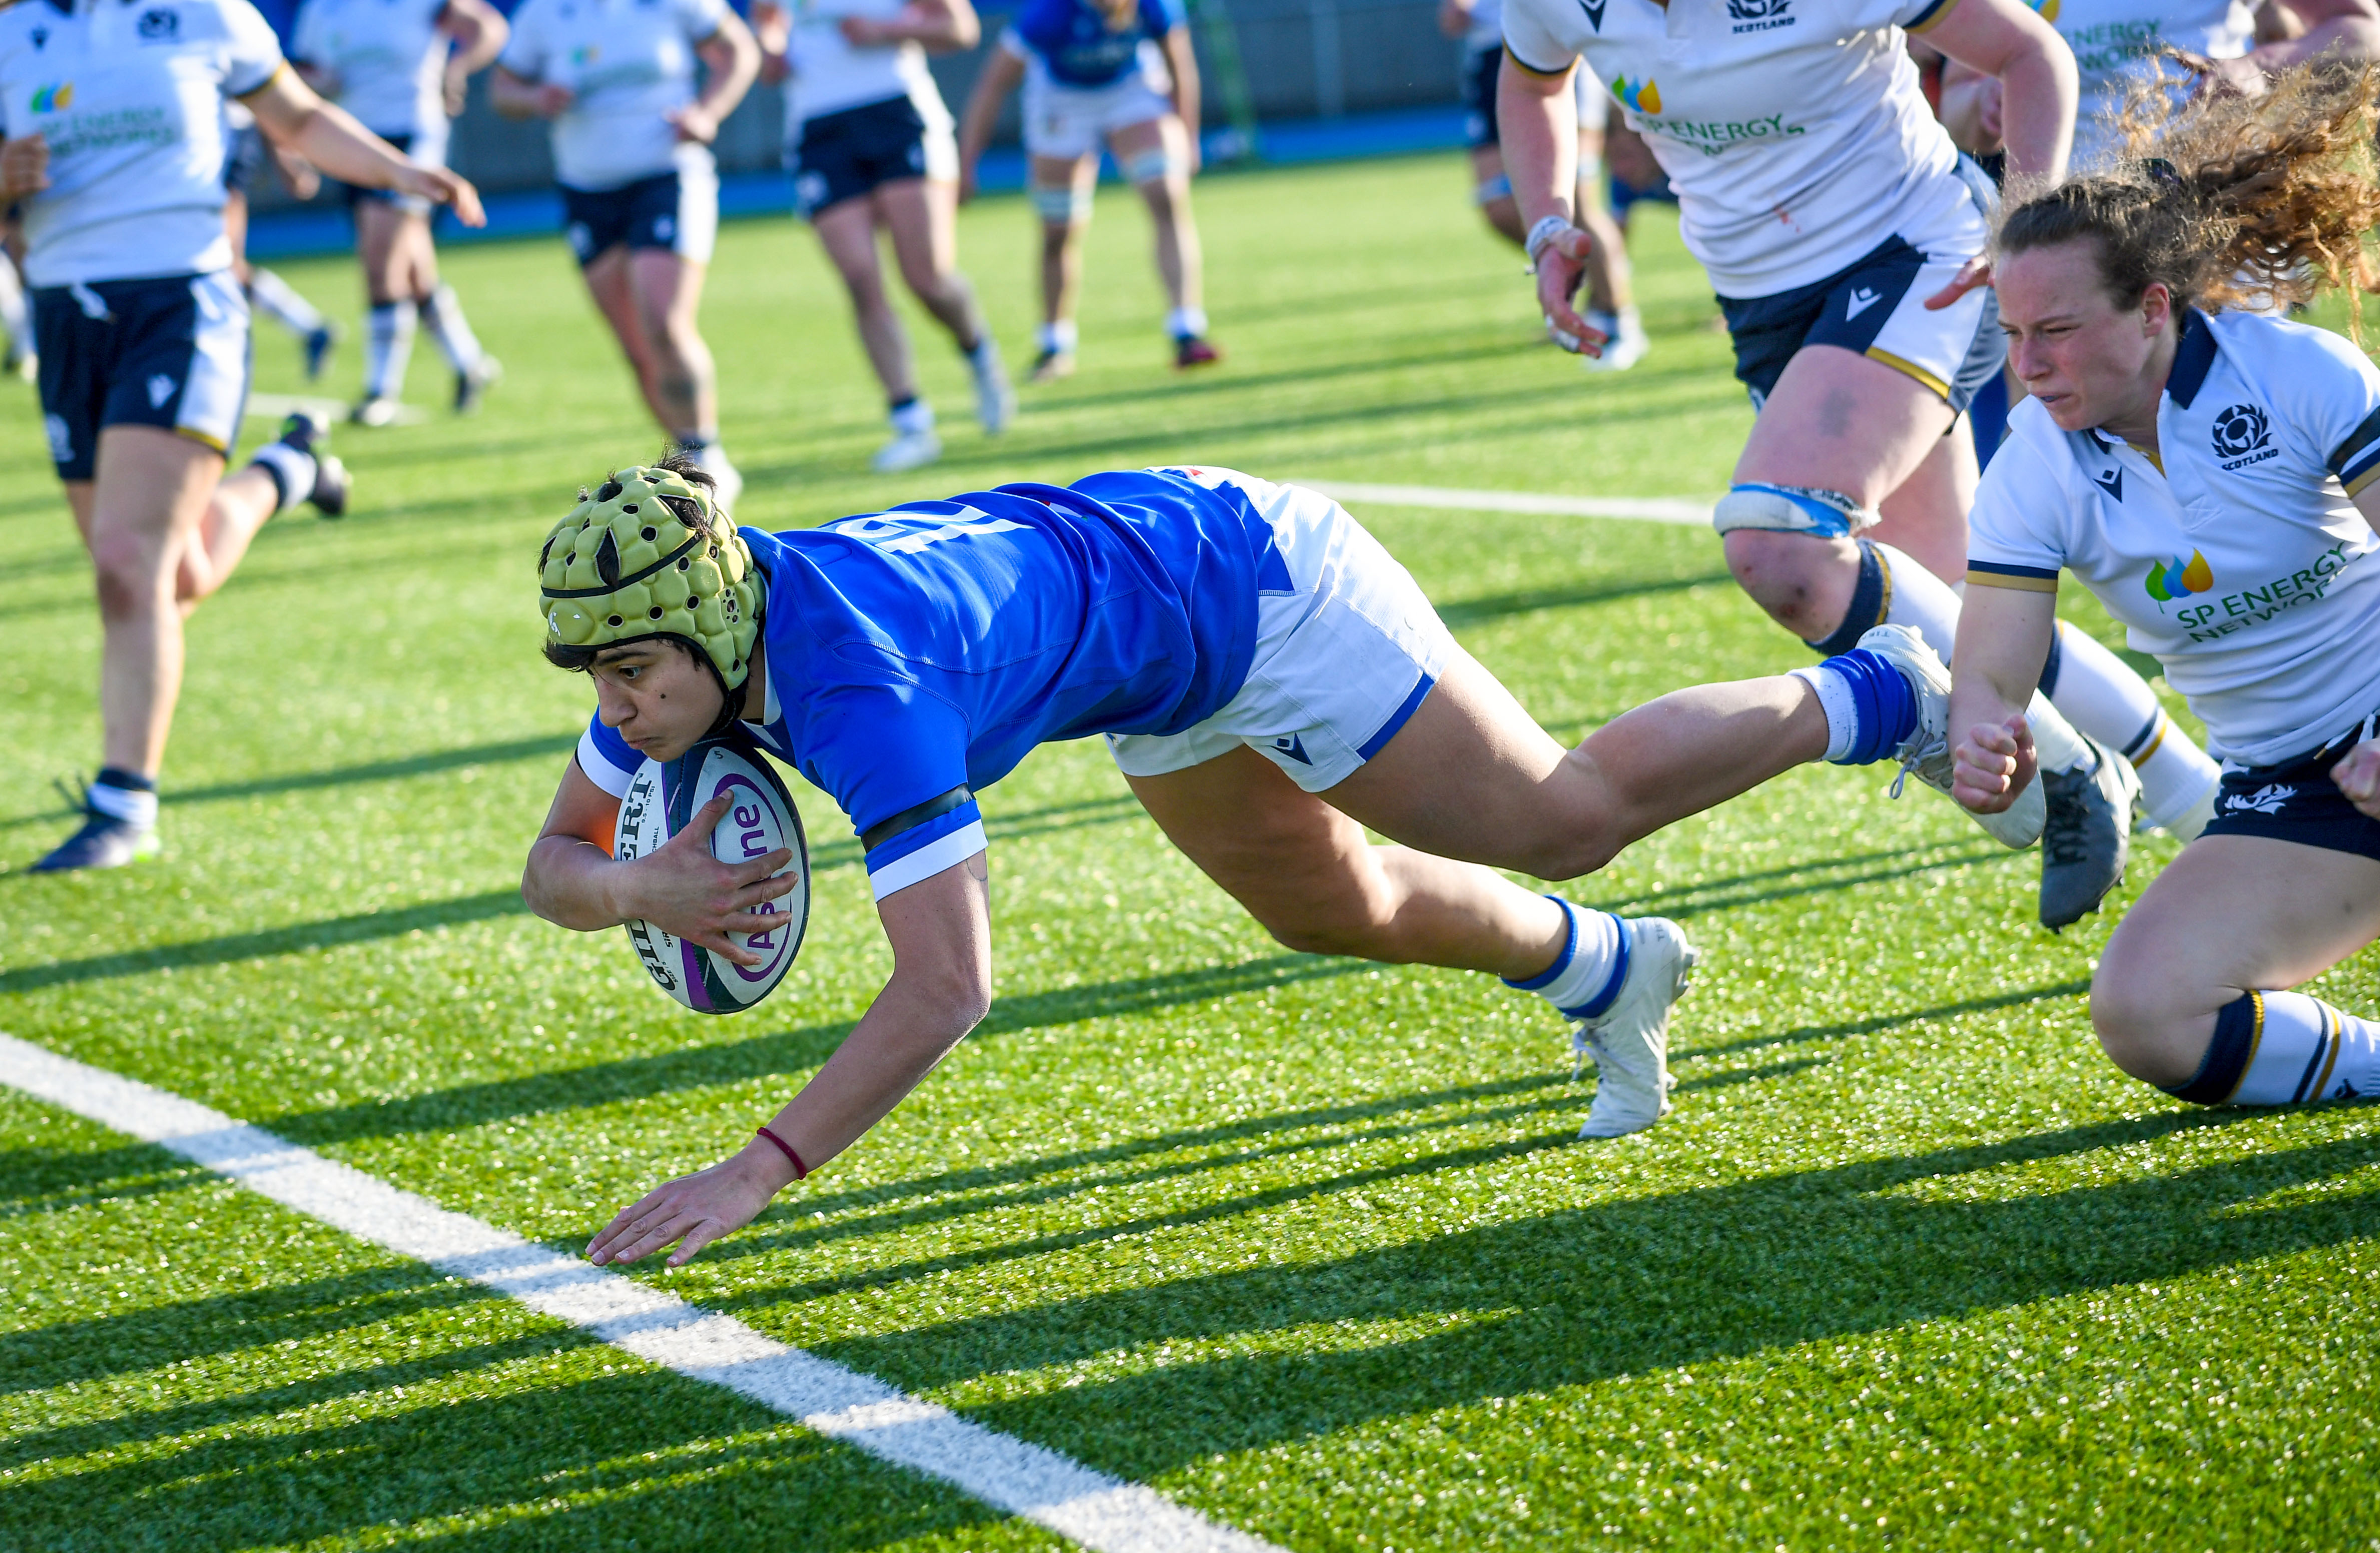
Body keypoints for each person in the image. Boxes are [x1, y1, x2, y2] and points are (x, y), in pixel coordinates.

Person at [525, 452, 2063, 1268]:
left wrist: (758, 1167)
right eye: (596, 678)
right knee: (1323, 901)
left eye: (632, 677)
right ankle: (1608, 968)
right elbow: (554, 859)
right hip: (1154, 648)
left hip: (1255, 587)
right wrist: (631, 888)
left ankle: (1880, 688)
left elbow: (949, 983)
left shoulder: (856, 686)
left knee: (1560, 811)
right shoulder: (684, 651)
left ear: (717, 629)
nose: (616, 709)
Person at [1496, 0, 2227, 928]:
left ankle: (2076, 771)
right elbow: (1531, 80)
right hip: (1768, 309)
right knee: (1961, 602)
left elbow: (2028, 51)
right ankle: (2203, 804)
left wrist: (2021, 232)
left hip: (1923, 254)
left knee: (1783, 539)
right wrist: (1548, 221)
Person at [1951, 66, 2380, 1114]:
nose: (2028, 367)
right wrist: (1979, 732)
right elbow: (1992, 661)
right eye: (2010, 337)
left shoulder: (2296, 374)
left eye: (2052, 331)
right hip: (2294, 784)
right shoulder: (2030, 469)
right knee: (2147, 1014)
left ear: (2150, 310)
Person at [3, 0, 484, 873]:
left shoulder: (200, 13)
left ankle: (125, 801)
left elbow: (297, 115)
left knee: (127, 564)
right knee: (166, 575)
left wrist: (402, 173)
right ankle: (291, 468)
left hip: (182, 307)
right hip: (65, 318)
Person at [491, 0, 758, 504]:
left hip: (666, 173)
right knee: (637, 347)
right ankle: (687, 463)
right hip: (587, 187)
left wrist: (707, 111)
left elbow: (738, 50)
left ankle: (709, 456)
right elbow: (502, 90)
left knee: (664, 321)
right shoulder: (543, 14)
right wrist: (534, 97)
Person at [753, 0, 1014, 474]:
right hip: (819, 126)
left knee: (926, 277)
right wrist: (772, 52)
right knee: (860, 279)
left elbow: (961, 29)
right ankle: (911, 421)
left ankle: (979, 354)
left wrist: (883, 30)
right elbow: (768, 24)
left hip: (897, 112)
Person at [954, 0, 1221, 378]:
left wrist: (1188, 135)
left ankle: (1186, 329)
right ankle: (1054, 343)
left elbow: (1180, 63)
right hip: (1060, 99)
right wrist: (966, 165)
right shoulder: (1049, 14)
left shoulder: (1154, 5)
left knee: (1166, 194)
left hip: (1130, 89)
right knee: (1058, 231)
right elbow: (992, 85)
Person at [292, 0, 509, 424]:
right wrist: (319, 82)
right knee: (413, 270)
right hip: (352, 144)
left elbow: (489, 28)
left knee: (382, 260)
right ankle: (470, 364)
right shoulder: (323, 9)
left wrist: (457, 67)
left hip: (412, 137)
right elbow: (299, 74)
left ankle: (381, 391)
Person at [1440, 0, 1643, 369]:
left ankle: (1616, 317)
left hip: (1560, 42)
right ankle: (1590, 276)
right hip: (1491, 52)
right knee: (1499, 207)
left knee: (1578, 204)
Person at [221, 101, 341, 382]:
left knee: (220, 264)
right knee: (226, 267)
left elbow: (259, 90)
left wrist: (284, 155)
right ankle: (309, 328)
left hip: (224, 141)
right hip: (196, 145)